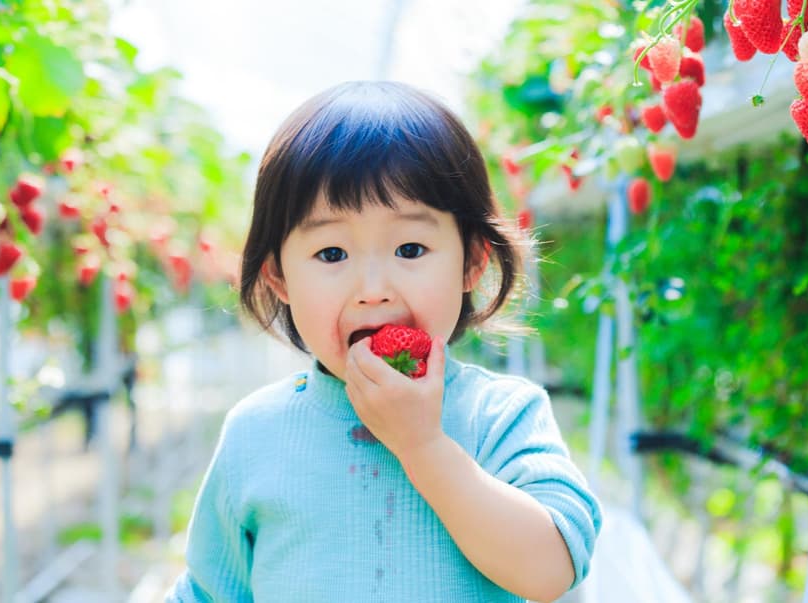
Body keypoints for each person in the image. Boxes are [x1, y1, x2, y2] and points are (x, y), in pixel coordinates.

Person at [167, 81, 601, 602]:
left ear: (471, 262)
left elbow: (552, 569)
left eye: (410, 248)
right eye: (332, 254)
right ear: (279, 278)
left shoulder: (500, 416)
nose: (373, 291)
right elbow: (208, 591)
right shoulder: (256, 433)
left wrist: (423, 446)